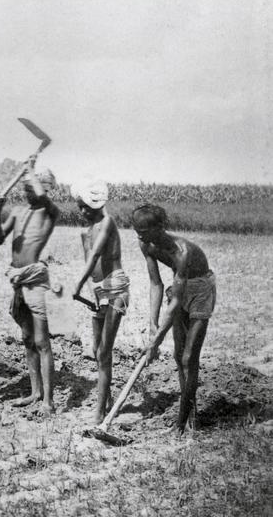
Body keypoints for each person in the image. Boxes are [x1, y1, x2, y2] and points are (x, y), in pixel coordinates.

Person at [133, 204, 215, 433]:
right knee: (179, 357)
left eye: (145, 230)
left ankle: (182, 423)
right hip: (178, 287)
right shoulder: (146, 244)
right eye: (137, 230)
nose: (140, 235)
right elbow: (155, 284)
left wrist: (156, 342)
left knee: (190, 357)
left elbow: (176, 302)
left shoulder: (182, 252)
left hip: (200, 290)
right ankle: (190, 413)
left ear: (161, 227)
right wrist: (152, 325)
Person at [0, 157, 59, 414]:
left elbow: (43, 197)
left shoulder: (49, 212)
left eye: (31, 187)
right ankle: (35, 392)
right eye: (25, 187)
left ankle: (49, 401)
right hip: (17, 280)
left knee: (43, 341)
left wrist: (30, 170)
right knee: (27, 338)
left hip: (35, 281)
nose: (27, 191)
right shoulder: (18, 213)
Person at [71, 179, 130, 424]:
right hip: (98, 290)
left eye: (86, 206)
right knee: (96, 350)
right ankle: (105, 398)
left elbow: (96, 254)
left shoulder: (107, 223)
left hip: (115, 286)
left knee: (104, 351)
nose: (83, 211)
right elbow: (90, 261)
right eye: (80, 206)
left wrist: (76, 284)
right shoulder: (85, 232)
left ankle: (100, 411)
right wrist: (88, 290)